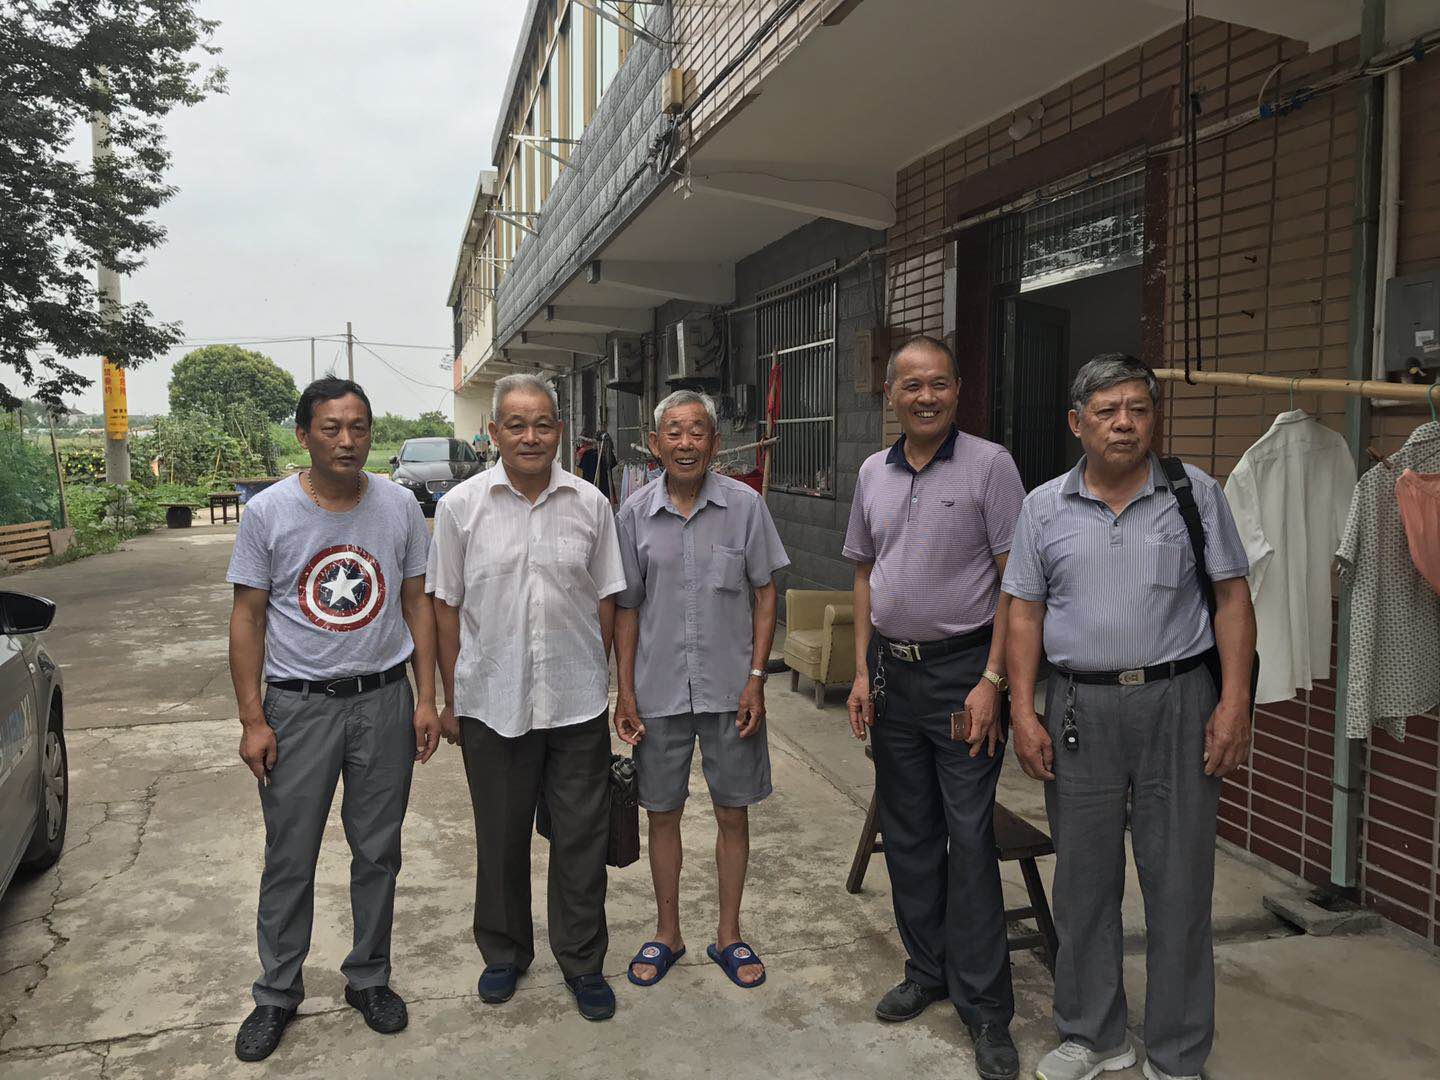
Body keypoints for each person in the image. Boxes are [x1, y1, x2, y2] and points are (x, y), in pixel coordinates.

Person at [1002, 354, 1256, 1080]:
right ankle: (1093, 1034)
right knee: (1083, 880)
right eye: (1107, 411)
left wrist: (1234, 704)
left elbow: (1233, 600)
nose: (1124, 423)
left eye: (1138, 409)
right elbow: (1024, 613)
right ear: (1076, 423)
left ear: (1154, 419)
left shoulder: (1194, 494)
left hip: (1178, 703)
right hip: (1079, 706)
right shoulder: (1042, 507)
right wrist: (1023, 709)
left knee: (1179, 882)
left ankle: (1177, 1052)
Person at [227, 377, 441, 1062]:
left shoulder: (399, 505)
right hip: (298, 707)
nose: (347, 441)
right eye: (331, 428)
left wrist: (427, 698)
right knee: (290, 854)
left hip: (383, 701)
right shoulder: (269, 512)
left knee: (378, 851)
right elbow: (248, 616)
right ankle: (276, 992)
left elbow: (416, 603)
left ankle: (369, 978)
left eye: (358, 427)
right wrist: (253, 719)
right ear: (304, 435)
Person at [842, 335, 1026, 1080]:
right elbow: (865, 575)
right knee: (910, 834)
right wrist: (862, 671)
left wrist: (994, 681)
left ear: (957, 390)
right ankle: (927, 971)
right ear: (890, 393)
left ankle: (986, 1008)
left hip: (963, 679)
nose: (926, 397)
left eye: (940, 384)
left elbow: (1017, 583)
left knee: (970, 838)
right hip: (894, 677)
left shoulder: (990, 465)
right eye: (912, 385)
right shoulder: (871, 472)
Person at [428, 372, 627, 1022]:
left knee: (581, 839)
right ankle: (505, 952)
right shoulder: (461, 508)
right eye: (516, 425)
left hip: (576, 703)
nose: (531, 436)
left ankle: (583, 961)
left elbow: (606, 597)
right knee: (501, 837)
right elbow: (445, 607)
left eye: (543, 424)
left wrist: (599, 674)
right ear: (494, 432)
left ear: (560, 431)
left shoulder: (591, 504)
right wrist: (452, 696)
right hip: (492, 701)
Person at [613, 389, 789, 991]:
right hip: (658, 690)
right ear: (655, 443)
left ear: (714, 443)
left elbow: (765, 594)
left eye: (697, 432)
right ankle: (668, 932)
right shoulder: (634, 513)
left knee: (731, 812)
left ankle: (728, 934)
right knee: (661, 814)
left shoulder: (745, 506)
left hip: (731, 690)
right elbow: (627, 608)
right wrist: (625, 692)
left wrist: (757, 678)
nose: (685, 443)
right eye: (674, 432)